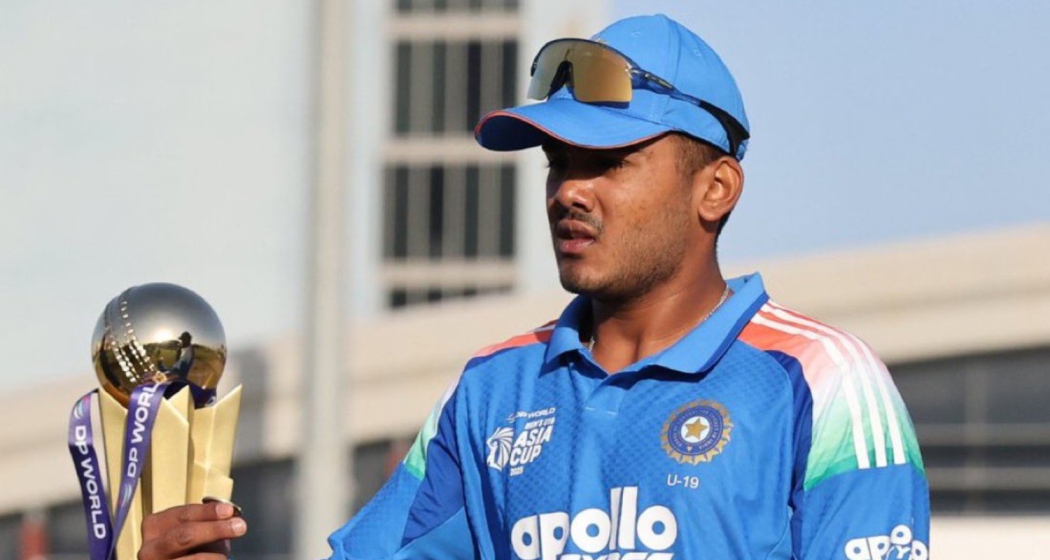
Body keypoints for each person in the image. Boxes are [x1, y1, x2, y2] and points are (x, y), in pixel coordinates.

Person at [138, 13, 930, 560]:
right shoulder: (495, 389)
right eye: (559, 162)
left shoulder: (823, 381)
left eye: (609, 162)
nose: (568, 191)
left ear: (715, 188)